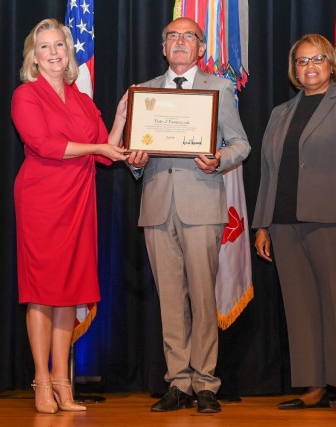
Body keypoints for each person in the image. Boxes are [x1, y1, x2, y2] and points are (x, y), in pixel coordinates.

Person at [252, 34, 336, 416]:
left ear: (331, 64)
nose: (309, 68)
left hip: (334, 220)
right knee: (300, 305)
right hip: (284, 223)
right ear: (293, 70)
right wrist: (262, 224)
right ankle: (313, 386)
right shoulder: (280, 112)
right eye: (301, 62)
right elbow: (268, 171)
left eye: (317, 60)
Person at [126, 17, 251, 414]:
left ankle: (206, 383)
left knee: (201, 296)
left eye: (189, 37)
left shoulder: (219, 87)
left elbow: (241, 144)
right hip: (158, 207)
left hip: (203, 206)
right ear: (163, 47)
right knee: (170, 302)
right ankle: (178, 382)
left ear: (200, 47)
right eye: (172, 37)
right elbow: (134, 156)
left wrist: (219, 160)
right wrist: (136, 161)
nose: (180, 42)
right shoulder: (143, 93)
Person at [11, 18, 129, 414]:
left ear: (68, 51)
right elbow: (44, 145)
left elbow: (105, 148)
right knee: (42, 294)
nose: (53, 53)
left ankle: (63, 381)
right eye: (44, 47)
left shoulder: (81, 97)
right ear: (35, 57)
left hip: (79, 198)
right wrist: (99, 148)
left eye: (59, 45)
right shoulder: (26, 95)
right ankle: (40, 381)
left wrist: (123, 118)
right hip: (42, 198)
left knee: (68, 293)